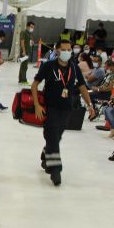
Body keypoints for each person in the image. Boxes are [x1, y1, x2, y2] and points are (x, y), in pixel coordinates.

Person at [32, 39, 96, 186]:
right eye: (64, 49)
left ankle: (46, 153)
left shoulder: (74, 68)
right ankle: (55, 170)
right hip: (50, 107)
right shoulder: (48, 66)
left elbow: (82, 87)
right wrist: (36, 105)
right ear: (58, 50)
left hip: (66, 108)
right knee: (53, 135)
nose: (68, 52)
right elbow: (35, 84)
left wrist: (90, 105)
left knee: (56, 137)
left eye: (69, 49)